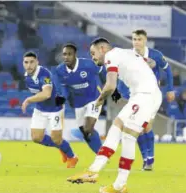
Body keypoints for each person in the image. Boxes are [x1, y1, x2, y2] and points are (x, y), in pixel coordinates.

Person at [67, 38, 162, 193]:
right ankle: (108, 179)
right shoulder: (126, 53)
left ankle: (105, 177)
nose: (93, 57)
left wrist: (99, 100)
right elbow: (151, 62)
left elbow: (110, 85)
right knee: (119, 129)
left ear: (103, 48)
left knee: (126, 135)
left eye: (93, 53)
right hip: (147, 96)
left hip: (145, 96)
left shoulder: (111, 56)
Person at [21, 51, 78, 168]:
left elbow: (46, 94)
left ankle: (72, 157)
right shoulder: (26, 76)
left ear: (37, 62)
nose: (29, 65)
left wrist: (28, 100)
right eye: (26, 62)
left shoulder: (44, 74)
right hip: (40, 109)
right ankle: (62, 147)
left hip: (55, 109)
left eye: (32, 62)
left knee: (57, 139)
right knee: (36, 138)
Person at [130, 29, 174, 171]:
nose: (137, 42)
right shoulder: (129, 56)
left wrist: (170, 89)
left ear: (145, 40)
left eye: (139, 39)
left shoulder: (155, 55)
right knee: (137, 129)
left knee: (146, 125)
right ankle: (146, 159)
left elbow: (167, 70)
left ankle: (150, 158)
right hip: (136, 94)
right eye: (134, 39)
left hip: (152, 94)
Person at [53, 44, 103, 154]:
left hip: (94, 98)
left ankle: (102, 153)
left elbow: (101, 68)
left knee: (88, 128)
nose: (66, 57)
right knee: (85, 133)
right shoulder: (60, 70)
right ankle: (101, 153)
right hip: (78, 103)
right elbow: (65, 86)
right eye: (64, 54)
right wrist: (63, 97)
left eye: (69, 54)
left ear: (75, 55)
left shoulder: (87, 64)